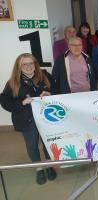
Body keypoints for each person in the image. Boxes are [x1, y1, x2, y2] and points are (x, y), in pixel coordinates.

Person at [0, 53, 57, 185]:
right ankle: (39, 168)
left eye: (31, 63)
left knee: (48, 143)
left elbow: (56, 90)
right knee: (32, 146)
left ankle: (49, 166)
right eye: (24, 64)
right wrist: (22, 103)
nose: (28, 66)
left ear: (35, 64)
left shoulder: (45, 76)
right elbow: (4, 101)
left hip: (47, 119)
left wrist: (50, 94)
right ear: (19, 67)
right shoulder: (13, 82)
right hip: (27, 120)